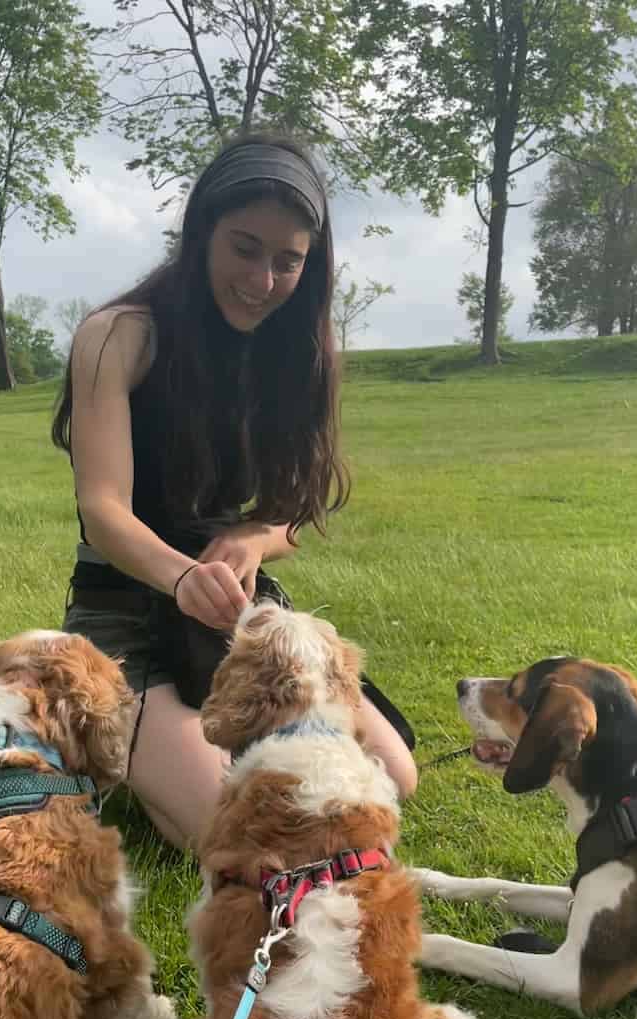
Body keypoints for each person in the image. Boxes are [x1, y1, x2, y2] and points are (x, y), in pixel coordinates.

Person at [53, 132, 417, 853]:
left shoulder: (297, 350)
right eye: (245, 248)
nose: (264, 279)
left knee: (393, 775)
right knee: (237, 831)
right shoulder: (119, 335)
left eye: (289, 260)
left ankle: (170, 755)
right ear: (201, 233)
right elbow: (103, 512)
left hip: (236, 607)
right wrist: (183, 574)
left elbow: (291, 514)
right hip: (127, 606)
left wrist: (253, 538)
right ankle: (129, 748)